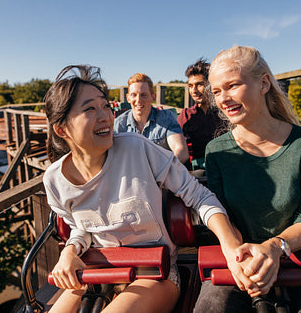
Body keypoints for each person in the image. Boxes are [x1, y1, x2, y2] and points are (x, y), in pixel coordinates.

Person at [42, 65, 246, 313]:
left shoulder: (136, 148)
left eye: (106, 106)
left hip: (154, 272)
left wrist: (229, 244)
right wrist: (69, 252)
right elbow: (82, 228)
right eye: (90, 109)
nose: (106, 116)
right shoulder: (54, 180)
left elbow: (200, 195)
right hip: (99, 268)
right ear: (62, 129)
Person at [193, 46, 301, 312]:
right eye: (217, 90)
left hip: (296, 251)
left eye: (232, 86)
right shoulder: (217, 150)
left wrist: (274, 247)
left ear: (264, 83)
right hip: (239, 255)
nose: (223, 99)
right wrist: (241, 257)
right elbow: (223, 215)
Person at [113, 73, 190, 164]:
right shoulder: (119, 124)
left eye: (143, 95)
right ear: (128, 98)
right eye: (133, 95)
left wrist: (161, 171)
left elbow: (181, 152)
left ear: (153, 97)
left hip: (162, 174)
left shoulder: (166, 118)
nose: (138, 100)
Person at [177, 58, 226, 170]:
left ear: (210, 85)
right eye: (190, 86)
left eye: (199, 84)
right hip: (197, 172)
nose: (194, 90)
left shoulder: (224, 112)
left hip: (225, 166)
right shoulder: (185, 116)